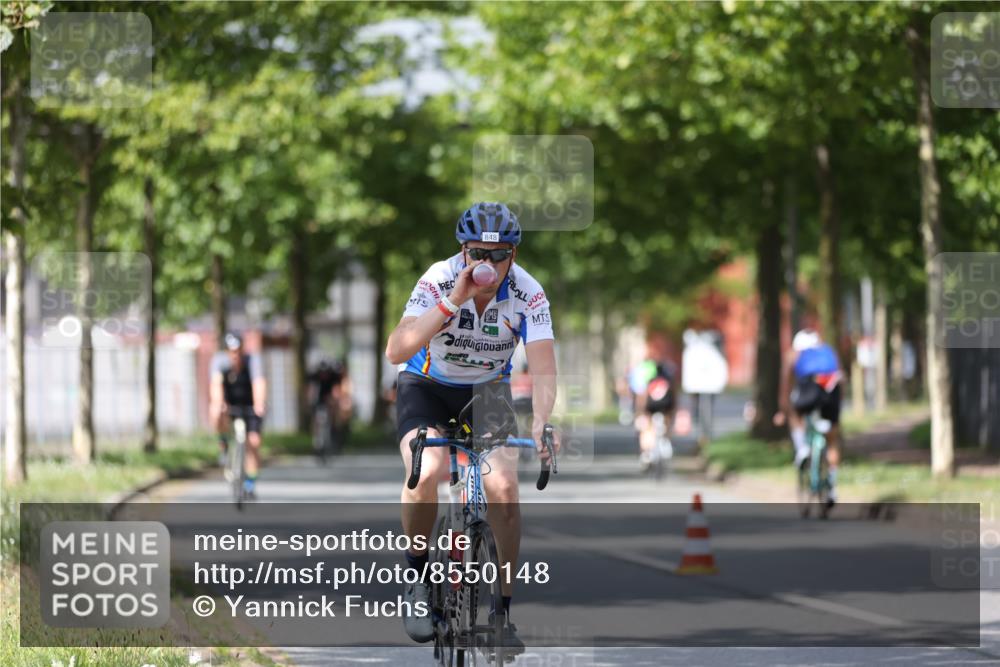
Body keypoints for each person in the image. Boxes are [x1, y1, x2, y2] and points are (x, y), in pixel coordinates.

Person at [385, 202, 559, 653]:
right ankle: (418, 578)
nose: (488, 264)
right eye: (478, 253)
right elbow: (396, 349)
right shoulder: (439, 278)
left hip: (486, 394)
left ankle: (502, 611)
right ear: (463, 251)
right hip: (426, 385)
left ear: (513, 257)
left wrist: (542, 422)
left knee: (502, 487)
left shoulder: (529, 293)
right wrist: (452, 301)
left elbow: (543, 367)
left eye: (498, 255)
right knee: (428, 470)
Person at [775, 327, 843, 507]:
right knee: (832, 439)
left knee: (795, 413)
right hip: (831, 389)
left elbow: (785, 385)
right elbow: (841, 376)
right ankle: (832, 486)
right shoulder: (828, 351)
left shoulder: (794, 354)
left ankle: (802, 448)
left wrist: (783, 410)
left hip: (808, 388)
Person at [209, 332, 267, 498]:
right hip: (230, 404)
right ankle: (223, 442)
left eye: (238, 350)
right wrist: (219, 403)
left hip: (250, 405)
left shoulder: (252, 361)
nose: (235, 355)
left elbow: (259, 383)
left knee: (253, 443)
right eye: (231, 351)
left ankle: (250, 483)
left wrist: (259, 404)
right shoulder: (220, 362)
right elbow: (216, 386)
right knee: (215, 409)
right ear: (227, 351)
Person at [628, 344, 677, 469]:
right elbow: (673, 394)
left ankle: (646, 453)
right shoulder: (668, 371)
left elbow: (641, 395)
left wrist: (639, 412)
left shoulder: (643, 371)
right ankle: (666, 439)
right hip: (666, 405)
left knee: (646, 427)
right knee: (666, 421)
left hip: (649, 405)